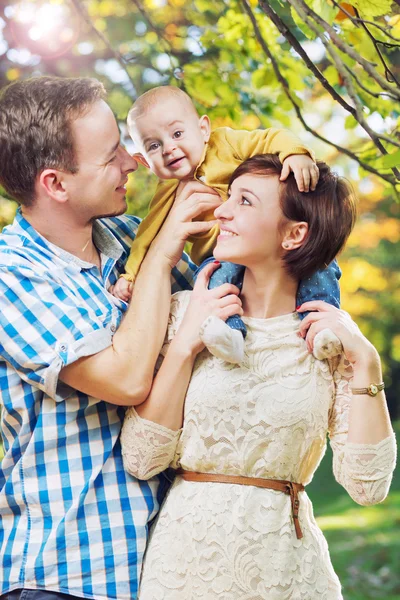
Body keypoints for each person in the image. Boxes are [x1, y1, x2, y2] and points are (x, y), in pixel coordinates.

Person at [121, 154, 397, 600]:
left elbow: (368, 487)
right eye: (229, 197)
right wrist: (187, 344)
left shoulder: (331, 339)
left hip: (290, 574)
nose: (223, 211)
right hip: (185, 572)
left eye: (244, 201)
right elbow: (142, 457)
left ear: (294, 234)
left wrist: (366, 360)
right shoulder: (185, 312)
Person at [0, 76, 232, 600]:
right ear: (55, 183)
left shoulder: (132, 235)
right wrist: (164, 254)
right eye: (110, 157)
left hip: (170, 570)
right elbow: (126, 378)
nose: (133, 163)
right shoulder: (10, 274)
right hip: (65, 577)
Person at [111, 86, 342, 364]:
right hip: (218, 257)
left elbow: (270, 137)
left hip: (264, 245)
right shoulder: (168, 194)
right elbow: (147, 236)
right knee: (212, 284)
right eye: (153, 145)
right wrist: (130, 275)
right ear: (145, 162)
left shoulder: (226, 144)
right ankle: (229, 334)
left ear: (204, 129)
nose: (169, 148)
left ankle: (322, 328)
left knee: (319, 268)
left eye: (177, 134)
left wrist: (294, 154)